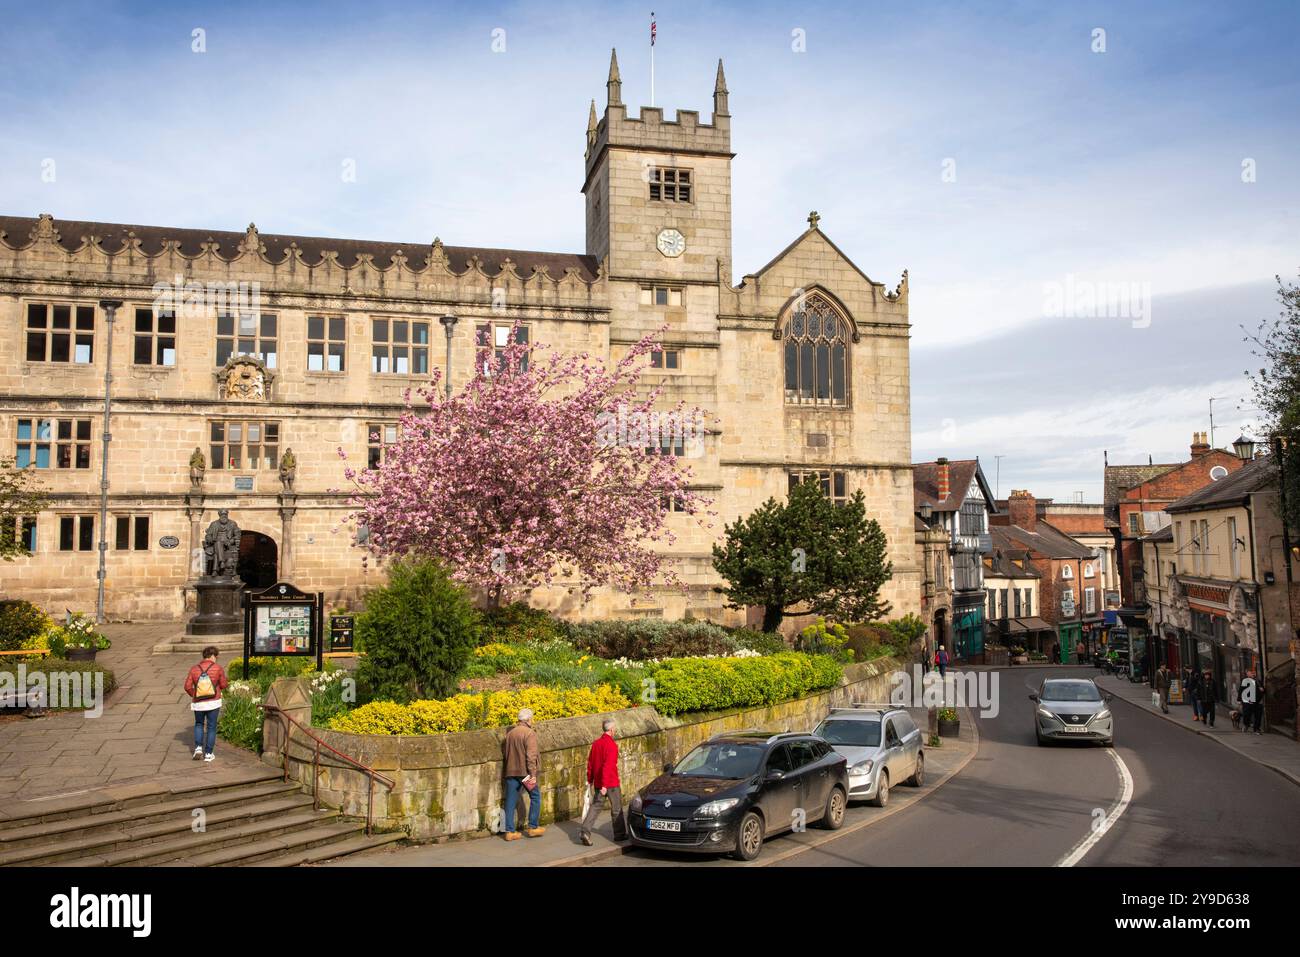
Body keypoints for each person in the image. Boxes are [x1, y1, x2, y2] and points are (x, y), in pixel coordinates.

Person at [580, 718, 628, 846]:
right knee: (616, 809)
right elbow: (608, 766)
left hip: (598, 782)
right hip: (610, 783)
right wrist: (605, 785)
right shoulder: (612, 745)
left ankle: (585, 831)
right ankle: (620, 834)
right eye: (615, 729)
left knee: (595, 807)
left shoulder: (596, 744)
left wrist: (590, 780)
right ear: (612, 730)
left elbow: (590, 764)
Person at [502, 708, 544, 840]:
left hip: (510, 772)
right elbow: (531, 756)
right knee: (536, 796)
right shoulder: (529, 733)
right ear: (528, 720)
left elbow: (505, 753)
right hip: (525, 774)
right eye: (532, 719)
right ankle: (533, 827)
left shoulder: (510, 734)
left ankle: (509, 832)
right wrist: (532, 774)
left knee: (510, 801)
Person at [183, 646, 228, 762]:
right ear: (213, 656)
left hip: (198, 703)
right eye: (216, 656)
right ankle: (208, 754)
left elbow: (187, 687)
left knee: (198, 724)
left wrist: (195, 694)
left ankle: (198, 748)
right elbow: (223, 685)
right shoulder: (218, 668)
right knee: (211, 727)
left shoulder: (194, 669)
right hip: (213, 702)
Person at [1239, 668, 1263, 734]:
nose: (1252, 674)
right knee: (1246, 714)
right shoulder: (1245, 681)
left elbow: (1262, 689)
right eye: (1250, 672)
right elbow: (1241, 690)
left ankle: (1256, 728)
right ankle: (1246, 725)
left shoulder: (1258, 681)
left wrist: (1262, 690)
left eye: (1253, 673)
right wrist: (1240, 700)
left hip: (1257, 701)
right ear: (1247, 674)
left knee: (1258, 716)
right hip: (1247, 701)